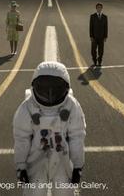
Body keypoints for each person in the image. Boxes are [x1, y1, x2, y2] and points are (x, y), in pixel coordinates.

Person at [13, 61, 86, 196]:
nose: (50, 93)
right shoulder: (28, 107)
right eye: (45, 88)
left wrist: (77, 165)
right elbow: (21, 138)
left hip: (61, 159)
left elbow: (77, 136)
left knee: (63, 192)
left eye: (55, 88)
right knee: (35, 192)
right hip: (37, 159)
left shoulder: (70, 105)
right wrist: (21, 166)